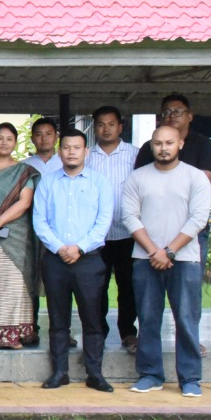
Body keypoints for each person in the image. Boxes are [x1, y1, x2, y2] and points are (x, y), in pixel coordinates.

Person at [124, 124, 211, 397]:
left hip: (184, 260)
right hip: (145, 259)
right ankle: (150, 374)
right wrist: (155, 251)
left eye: (169, 143)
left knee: (186, 319)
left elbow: (198, 218)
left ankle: (190, 379)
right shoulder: (137, 178)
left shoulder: (195, 177)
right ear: (151, 146)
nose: (163, 148)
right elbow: (129, 217)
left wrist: (169, 251)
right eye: (158, 143)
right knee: (148, 319)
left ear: (180, 145)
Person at [33, 129, 115, 392]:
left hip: (89, 260)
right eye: (66, 147)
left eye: (76, 147)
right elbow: (40, 221)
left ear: (85, 152)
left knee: (93, 318)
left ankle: (95, 373)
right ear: (60, 151)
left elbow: (103, 222)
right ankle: (59, 372)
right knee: (58, 320)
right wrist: (60, 248)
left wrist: (79, 247)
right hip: (55, 260)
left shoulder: (100, 182)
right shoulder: (48, 182)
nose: (71, 152)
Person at [134, 93, 211, 265]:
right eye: (166, 112)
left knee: (187, 292)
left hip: (190, 230)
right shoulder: (148, 148)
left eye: (178, 111)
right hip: (151, 233)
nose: (172, 115)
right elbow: (139, 187)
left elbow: (201, 187)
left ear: (190, 116)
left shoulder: (204, 145)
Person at [0, 122, 40, 350]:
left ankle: (13, 335)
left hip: (14, 234)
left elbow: (25, 202)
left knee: (14, 284)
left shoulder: (24, 171)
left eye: (9, 139)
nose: (4, 143)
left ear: (15, 143)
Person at [87, 106, 142, 352]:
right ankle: (98, 332)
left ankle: (128, 333)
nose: (106, 129)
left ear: (121, 126)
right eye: (100, 124)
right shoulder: (86, 156)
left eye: (111, 124)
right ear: (94, 127)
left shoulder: (136, 155)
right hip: (96, 236)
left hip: (128, 233)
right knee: (96, 288)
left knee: (128, 286)